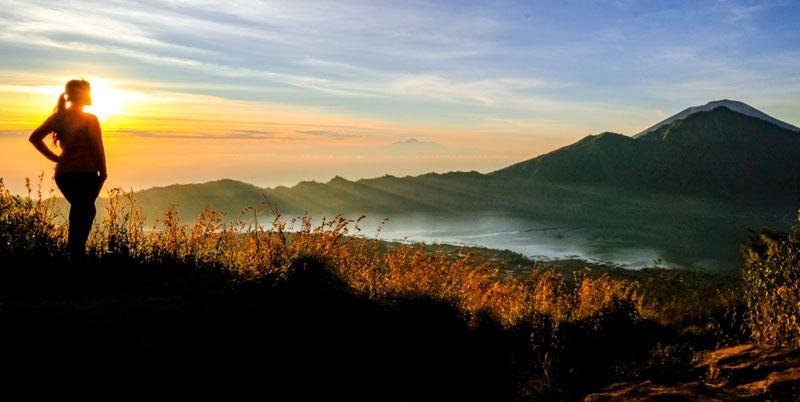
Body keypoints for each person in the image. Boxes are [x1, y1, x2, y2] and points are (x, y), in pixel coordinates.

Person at [29, 79, 107, 264]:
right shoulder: (90, 119)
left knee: (80, 211)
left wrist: (56, 158)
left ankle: (75, 257)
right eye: (88, 91)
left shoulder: (59, 117)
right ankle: (76, 258)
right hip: (86, 172)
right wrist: (103, 172)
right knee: (85, 212)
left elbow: (34, 138)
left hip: (64, 175)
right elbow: (97, 147)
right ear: (84, 94)